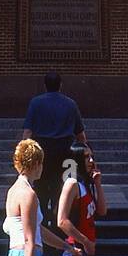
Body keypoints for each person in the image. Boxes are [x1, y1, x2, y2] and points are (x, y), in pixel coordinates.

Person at [4, 138, 80, 256]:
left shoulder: (13, 191)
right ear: (36, 163)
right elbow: (30, 238)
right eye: (42, 162)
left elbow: (39, 230)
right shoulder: (28, 194)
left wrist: (67, 247)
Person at [21, 70, 87, 227]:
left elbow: (27, 132)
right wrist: (85, 152)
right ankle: (60, 223)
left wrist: (23, 153)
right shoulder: (70, 104)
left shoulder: (36, 103)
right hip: (65, 153)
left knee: (42, 187)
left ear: (44, 86)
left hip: (42, 154)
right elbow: (80, 134)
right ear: (60, 85)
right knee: (61, 188)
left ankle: (42, 223)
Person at [57, 141, 106, 256]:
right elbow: (62, 220)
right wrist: (86, 242)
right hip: (77, 252)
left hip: (81, 253)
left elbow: (102, 211)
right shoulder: (72, 184)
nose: (91, 161)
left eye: (92, 156)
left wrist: (98, 183)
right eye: (86, 157)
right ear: (76, 160)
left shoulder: (85, 184)